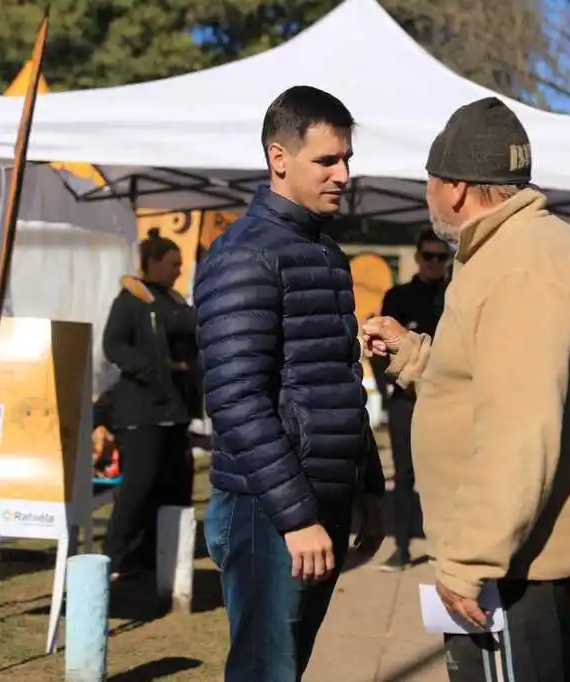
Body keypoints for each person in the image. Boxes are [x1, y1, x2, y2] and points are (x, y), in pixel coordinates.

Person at [362, 97, 570, 682]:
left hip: (512, 562)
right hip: (509, 549)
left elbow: (522, 431)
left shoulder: (522, 266)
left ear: (452, 188)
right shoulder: (506, 252)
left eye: (427, 184)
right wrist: (413, 355)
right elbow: (485, 382)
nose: (427, 199)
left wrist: (470, 560)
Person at [194, 85, 386, 682]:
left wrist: (368, 485)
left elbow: (340, 384)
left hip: (317, 499)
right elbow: (235, 399)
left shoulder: (326, 254)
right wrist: (296, 516)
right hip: (267, 509)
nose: (343, 174)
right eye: (327, 160)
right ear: (280, 158)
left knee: (287, 669)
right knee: (263, 673)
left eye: (347, 158)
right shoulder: (245, 255)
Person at [101, 229, 198, 581]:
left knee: (171, 487)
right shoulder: (129, 301)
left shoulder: (173, 300)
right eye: (172, 264)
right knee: (137, 489)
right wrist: (154, 369)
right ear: (152, 263)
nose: (178, 270)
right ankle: (113, 559)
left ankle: (151, 557)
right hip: (142, 411)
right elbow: (113, 346)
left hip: (174, 412)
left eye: (181, 264)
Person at [375, 229, 449, 571]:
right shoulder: (399, 297)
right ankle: (402, 547)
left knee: (450, 475)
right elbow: (379, 349)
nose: (435, 263)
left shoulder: (457, 296)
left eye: (441, 257)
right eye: (429, 256)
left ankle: (450, 547)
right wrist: (392, 383)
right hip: (407, 398)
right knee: (404, 475)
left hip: (450, 400)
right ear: (418, 257)